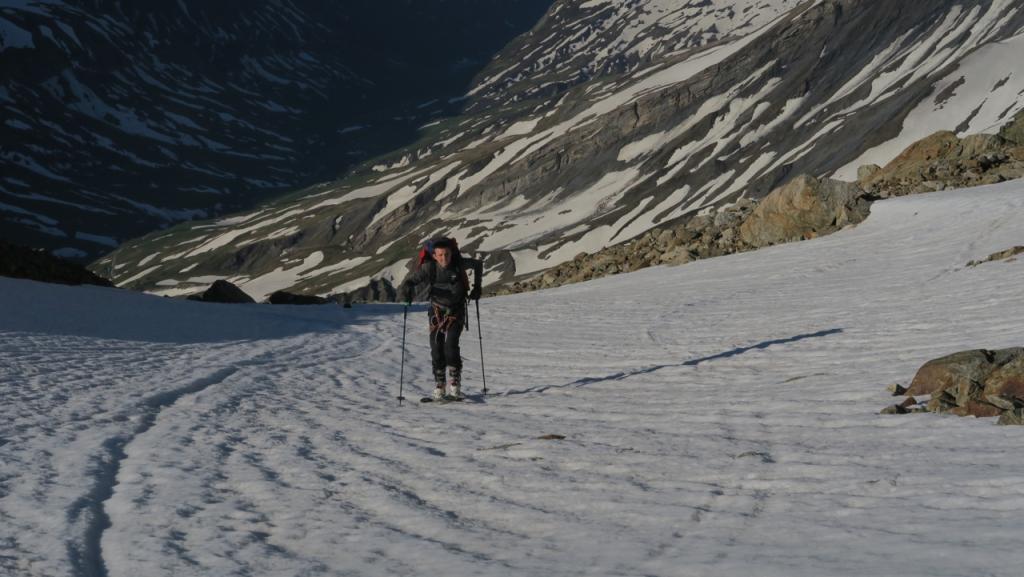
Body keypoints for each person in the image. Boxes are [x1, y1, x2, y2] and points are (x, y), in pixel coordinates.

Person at [400, 238, 483, 400]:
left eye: (447, 254)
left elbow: (478, 265)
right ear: (434, 255)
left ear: (451, 253)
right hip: (436, 311)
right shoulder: (428, 268)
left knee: (450, 345)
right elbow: (409, 281)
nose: (444, 258)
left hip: (456, 310)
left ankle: (454, 383)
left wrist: (478, 287)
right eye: (440, 255)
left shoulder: (458, 264)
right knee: (436, 347)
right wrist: (406, 292)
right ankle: (440, 383)